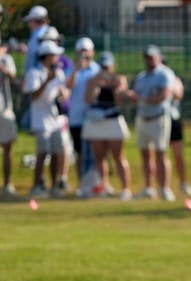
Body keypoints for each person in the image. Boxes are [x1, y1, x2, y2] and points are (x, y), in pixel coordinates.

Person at [23, 40, 71, 198]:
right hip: (41, 120)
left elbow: (63, 90)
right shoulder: (34, 73)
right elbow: (34, 95)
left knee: (57, 153)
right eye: (55, 54)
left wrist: (64, 93)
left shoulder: (58, 72)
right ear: (47, 56)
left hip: (55, 119)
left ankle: (54, 186)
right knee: (42, 153)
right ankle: (37, 186)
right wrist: (47, 81)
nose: (58, 57)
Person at [82, 51, 132, 200]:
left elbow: (118, 101)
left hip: (112, 120)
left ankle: (126, 189)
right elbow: (89, 99)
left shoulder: (119, 79)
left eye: (107, 67)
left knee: (118, 156)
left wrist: (114, 86)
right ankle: (103, 186)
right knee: (99, 158)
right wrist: (96, 82)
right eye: (102, 67)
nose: (105, 70)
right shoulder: (92, 80)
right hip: (96, 122)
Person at [129, 45, 176, 201]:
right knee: (145, 155)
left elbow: (163, 96)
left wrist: (144, 99)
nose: (149, 60)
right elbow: (139, 96)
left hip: (159, 117)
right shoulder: (142, 76)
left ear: (158, 57)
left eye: (152, 57)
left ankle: (164, 188)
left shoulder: (165, 73)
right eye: (147, 57)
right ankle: (149, 187)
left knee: (161, 154)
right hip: (143, 117)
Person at [66, 37, 100, 184]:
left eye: (86, 51)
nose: (84, 54)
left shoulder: (97, 69)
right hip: (76, 117)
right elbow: (68, 86)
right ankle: (83, 182)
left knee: (96, 151)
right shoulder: (71, 69)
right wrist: (76, 69)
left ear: (92, 52)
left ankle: (97, 182)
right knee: (79, 152)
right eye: (81, 51)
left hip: (95, 117)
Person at [165, 64, 191, 197]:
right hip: (157, 120)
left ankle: (183, 182)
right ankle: (163, 186)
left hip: (173, 119)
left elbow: (177, 95)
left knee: (178, 154)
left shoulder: (174, 79)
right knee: (160, 155)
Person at [0, 42, 17, 196]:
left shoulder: (5, 59)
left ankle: (7, 184)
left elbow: (12, 76)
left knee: (7, 150)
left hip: (4, 110)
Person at [23, 5, 49, 73]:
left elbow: (38, 54)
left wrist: (26, 50)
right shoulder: (43, 32)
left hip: (38, 74)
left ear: (34, 20)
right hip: (38, 73)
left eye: (30, 21)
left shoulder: (40, 34)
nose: (29, 23)